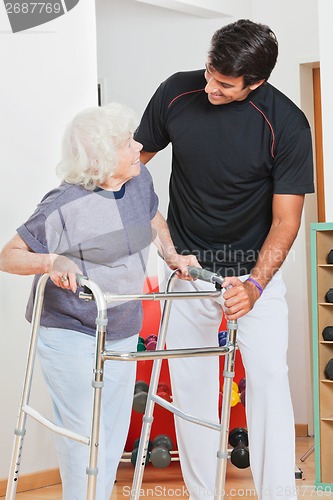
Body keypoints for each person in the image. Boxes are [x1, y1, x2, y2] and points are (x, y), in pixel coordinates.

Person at [134, 19, 314, 500]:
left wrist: (254, 286)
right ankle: (201, 493)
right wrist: (163, 238)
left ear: (255, 82)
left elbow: (287, 222)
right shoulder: (177, 92)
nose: (210, 87)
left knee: (270, 379)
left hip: (254, 278)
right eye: (210, 72)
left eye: (225, 84)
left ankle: (278, 492)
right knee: (192, 386)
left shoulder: (288, 124)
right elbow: (128, 167)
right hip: (189, 271)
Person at [0, 102, 199, 500]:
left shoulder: (139, 182)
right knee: (84, 433)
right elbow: (8, 255)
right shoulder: (64, 203)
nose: (139, 146)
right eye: (128, 142)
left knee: (109, 430)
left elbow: (153, 218)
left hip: (121, 326)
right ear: (103, 158)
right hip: (70, 332)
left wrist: (172, 254)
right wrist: (50, 260)